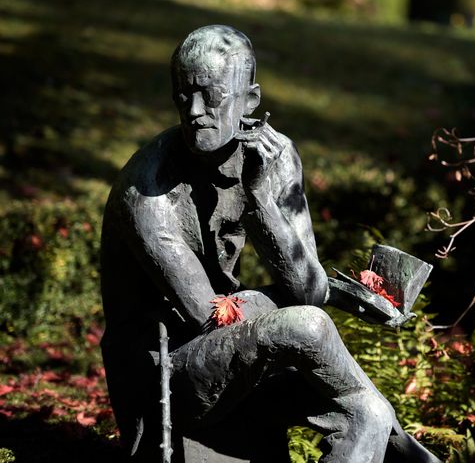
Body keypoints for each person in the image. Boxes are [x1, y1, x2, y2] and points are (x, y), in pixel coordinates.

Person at [101, 25, 440, 463]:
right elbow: (214, 318)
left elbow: (309, 292)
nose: (195, 110)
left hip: (234, 356)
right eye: (183, 95)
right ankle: (409, 453)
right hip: (162, 377)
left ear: (250, 101)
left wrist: (261, 199)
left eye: (213, 95)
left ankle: (388, 431)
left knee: (366, 414)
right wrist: (285, 303)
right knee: (306, 327)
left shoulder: (274, 158)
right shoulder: (147, 192)